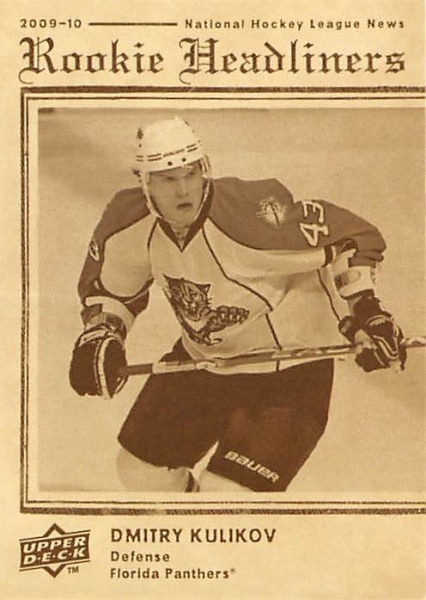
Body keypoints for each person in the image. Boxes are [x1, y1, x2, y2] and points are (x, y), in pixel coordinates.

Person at [69, 117, 407, 492]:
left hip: (289, 371)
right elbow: (114, 291)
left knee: (226, 498)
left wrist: (367, 312)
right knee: (142, 473)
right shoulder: (128, 221)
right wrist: (103, 333)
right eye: (167, 178)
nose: (183, 189)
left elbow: (354, 238)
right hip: (204, 360)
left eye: (191, 173)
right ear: (143, 181)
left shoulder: (254, 213)